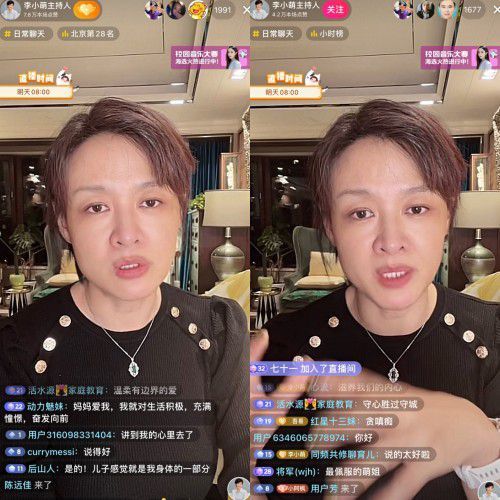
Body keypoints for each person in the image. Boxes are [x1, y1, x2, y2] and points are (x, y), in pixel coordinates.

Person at [0, 98, 249, 499]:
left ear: (179, 212)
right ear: (65, 224)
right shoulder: (19, 350)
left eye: (150, 202)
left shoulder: (218, 329)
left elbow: (245, 472)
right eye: (96, 207)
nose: (126, 234)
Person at [252, 100, 500, 499]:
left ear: (447, 218)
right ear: (330, 227)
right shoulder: (279, 350)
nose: (390, 241)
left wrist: (483, 445)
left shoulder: (495, 337)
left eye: (416, 208)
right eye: (361, 213)